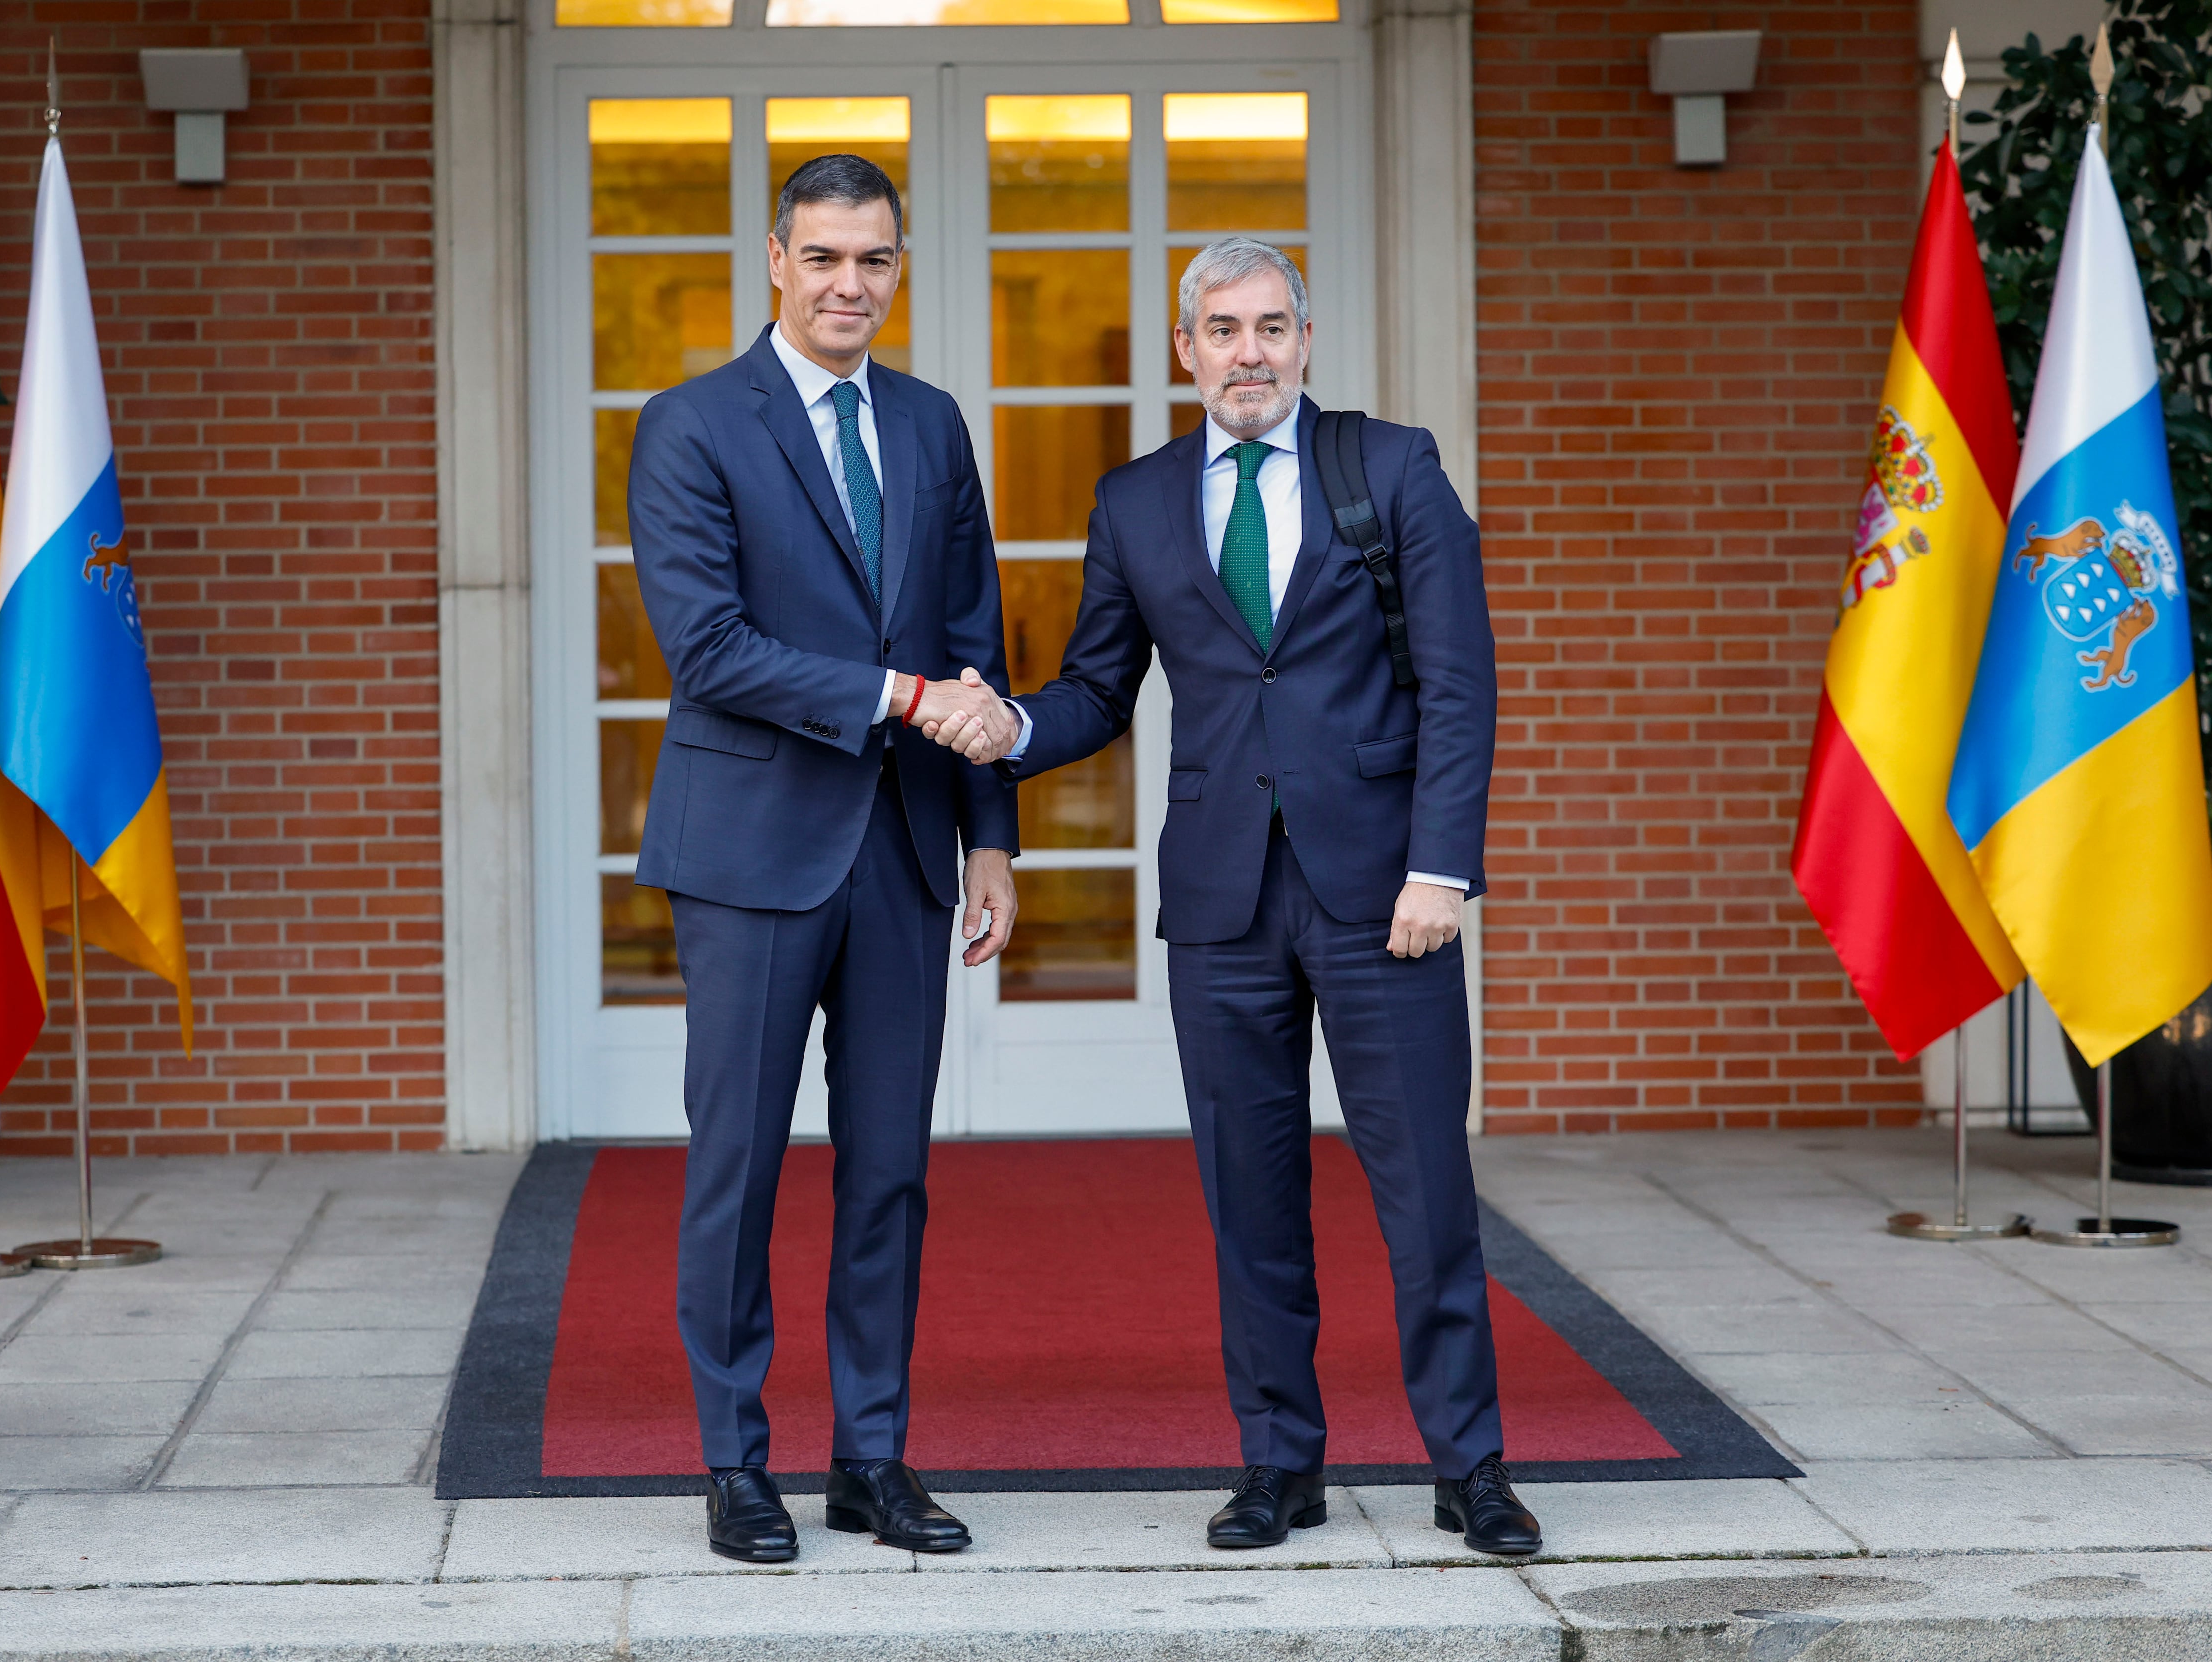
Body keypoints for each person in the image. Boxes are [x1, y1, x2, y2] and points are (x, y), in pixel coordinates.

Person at [929, 236, 1540, 1556]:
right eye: (1222, 330)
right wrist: (1012, 729)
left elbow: (1461, 683)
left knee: (1428, 1195)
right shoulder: (1137, 501)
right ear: (1185, 351)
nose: (1248, 353)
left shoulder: (1395, 468)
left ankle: (1472, 1467)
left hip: (1387, 898)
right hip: (1220, 902)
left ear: (1305, 342)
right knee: (1249, 1199)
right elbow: (1100, 688)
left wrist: (1442, 868)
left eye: (1270, 327)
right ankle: (1278, 1463)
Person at [626, 153, 1023, 1565]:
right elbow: (710, 649)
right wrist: (901, 696)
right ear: (776, 262)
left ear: (896, 269)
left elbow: (974, 636)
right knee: (737, 1166)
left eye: (875, 260)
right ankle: (736, 1464)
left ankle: (872, 1458)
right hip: (750, 852)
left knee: (890, 1171)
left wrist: (991, 838)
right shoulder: (689, 425)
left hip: (906, 851)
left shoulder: (929, 423)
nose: (850, 284)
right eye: (826, 257)